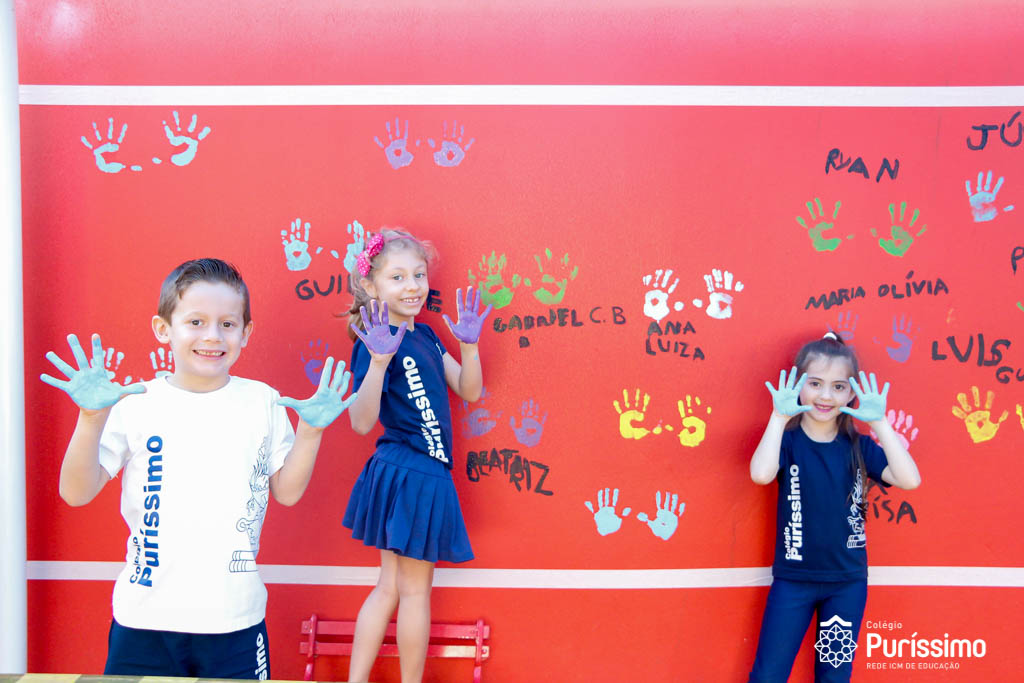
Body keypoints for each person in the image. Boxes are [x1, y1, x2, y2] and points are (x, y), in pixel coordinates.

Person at [40, 258, 357, 678]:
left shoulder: (263, 401)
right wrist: (90, 417)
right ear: (163, 329)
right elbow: (76, 492)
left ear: (246, 332)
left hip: (235, 621)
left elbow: (287, 491)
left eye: (228, 324)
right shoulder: (136, 402)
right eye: (195, 321)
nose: (212, 336)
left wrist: (311, 433)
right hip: (144, 620)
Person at [341, 229, 490, 683]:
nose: (412, 286)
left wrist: (468, 345)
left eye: (419, 275)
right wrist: (378, 361)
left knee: (392, 587)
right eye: (398, 277)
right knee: (412, 592)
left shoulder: (425, 335)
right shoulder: (375, 341)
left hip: (419, 473)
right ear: (371, 286)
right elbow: (361, 421)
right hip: (409, 470)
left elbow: (469, 390)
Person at [748, 332, 921, 682]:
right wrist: (778, 418)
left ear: (851, 393)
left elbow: (909, 480)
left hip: (846, 585)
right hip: (793, 582)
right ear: (799, 385)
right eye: (815, 384)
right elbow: (761, 474)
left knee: (834, 676)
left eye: (839, 387)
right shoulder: (788, 442)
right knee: (769, 675)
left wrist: (879, 422)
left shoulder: (858, 446)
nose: (826, 396)